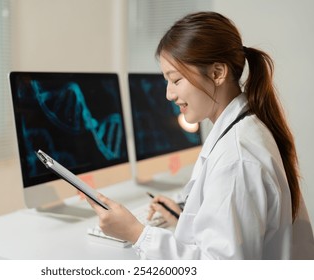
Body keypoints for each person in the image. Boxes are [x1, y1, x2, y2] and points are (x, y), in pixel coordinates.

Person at [88, 11, 314, 259]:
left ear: (217, 73)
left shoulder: (237, 160)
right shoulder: (244, 129)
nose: (168, 94)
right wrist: (186, 220)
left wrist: (136, 233)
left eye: (175, 80)